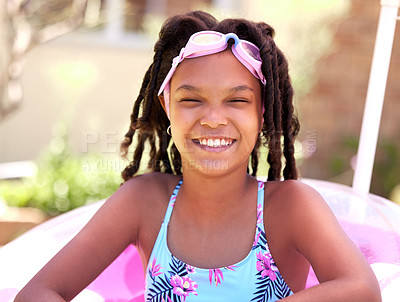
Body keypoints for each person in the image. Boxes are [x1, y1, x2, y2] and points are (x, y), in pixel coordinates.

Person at [15, 10, 381, 302]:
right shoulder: (144, 202)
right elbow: (37, 293)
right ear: (167, 105)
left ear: (263, 113)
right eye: (191, 100)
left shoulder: (289, 207)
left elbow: (362, 290)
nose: (213, 119)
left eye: (237, 100)